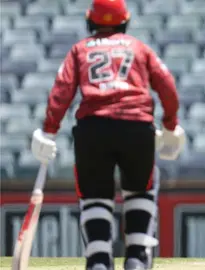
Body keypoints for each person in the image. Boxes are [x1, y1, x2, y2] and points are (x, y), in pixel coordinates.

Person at [29, 1, 185, 269]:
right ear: (125, 21)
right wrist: (170, 125)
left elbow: (62, 90)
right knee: (140, 191)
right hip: (136, 127)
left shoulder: (79, 50)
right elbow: (168, 86)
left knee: (95, 197)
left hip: (93, 129)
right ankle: (137, 257)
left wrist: (49, 131)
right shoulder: (139, 48)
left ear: (91, 21)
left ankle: (99, 259)